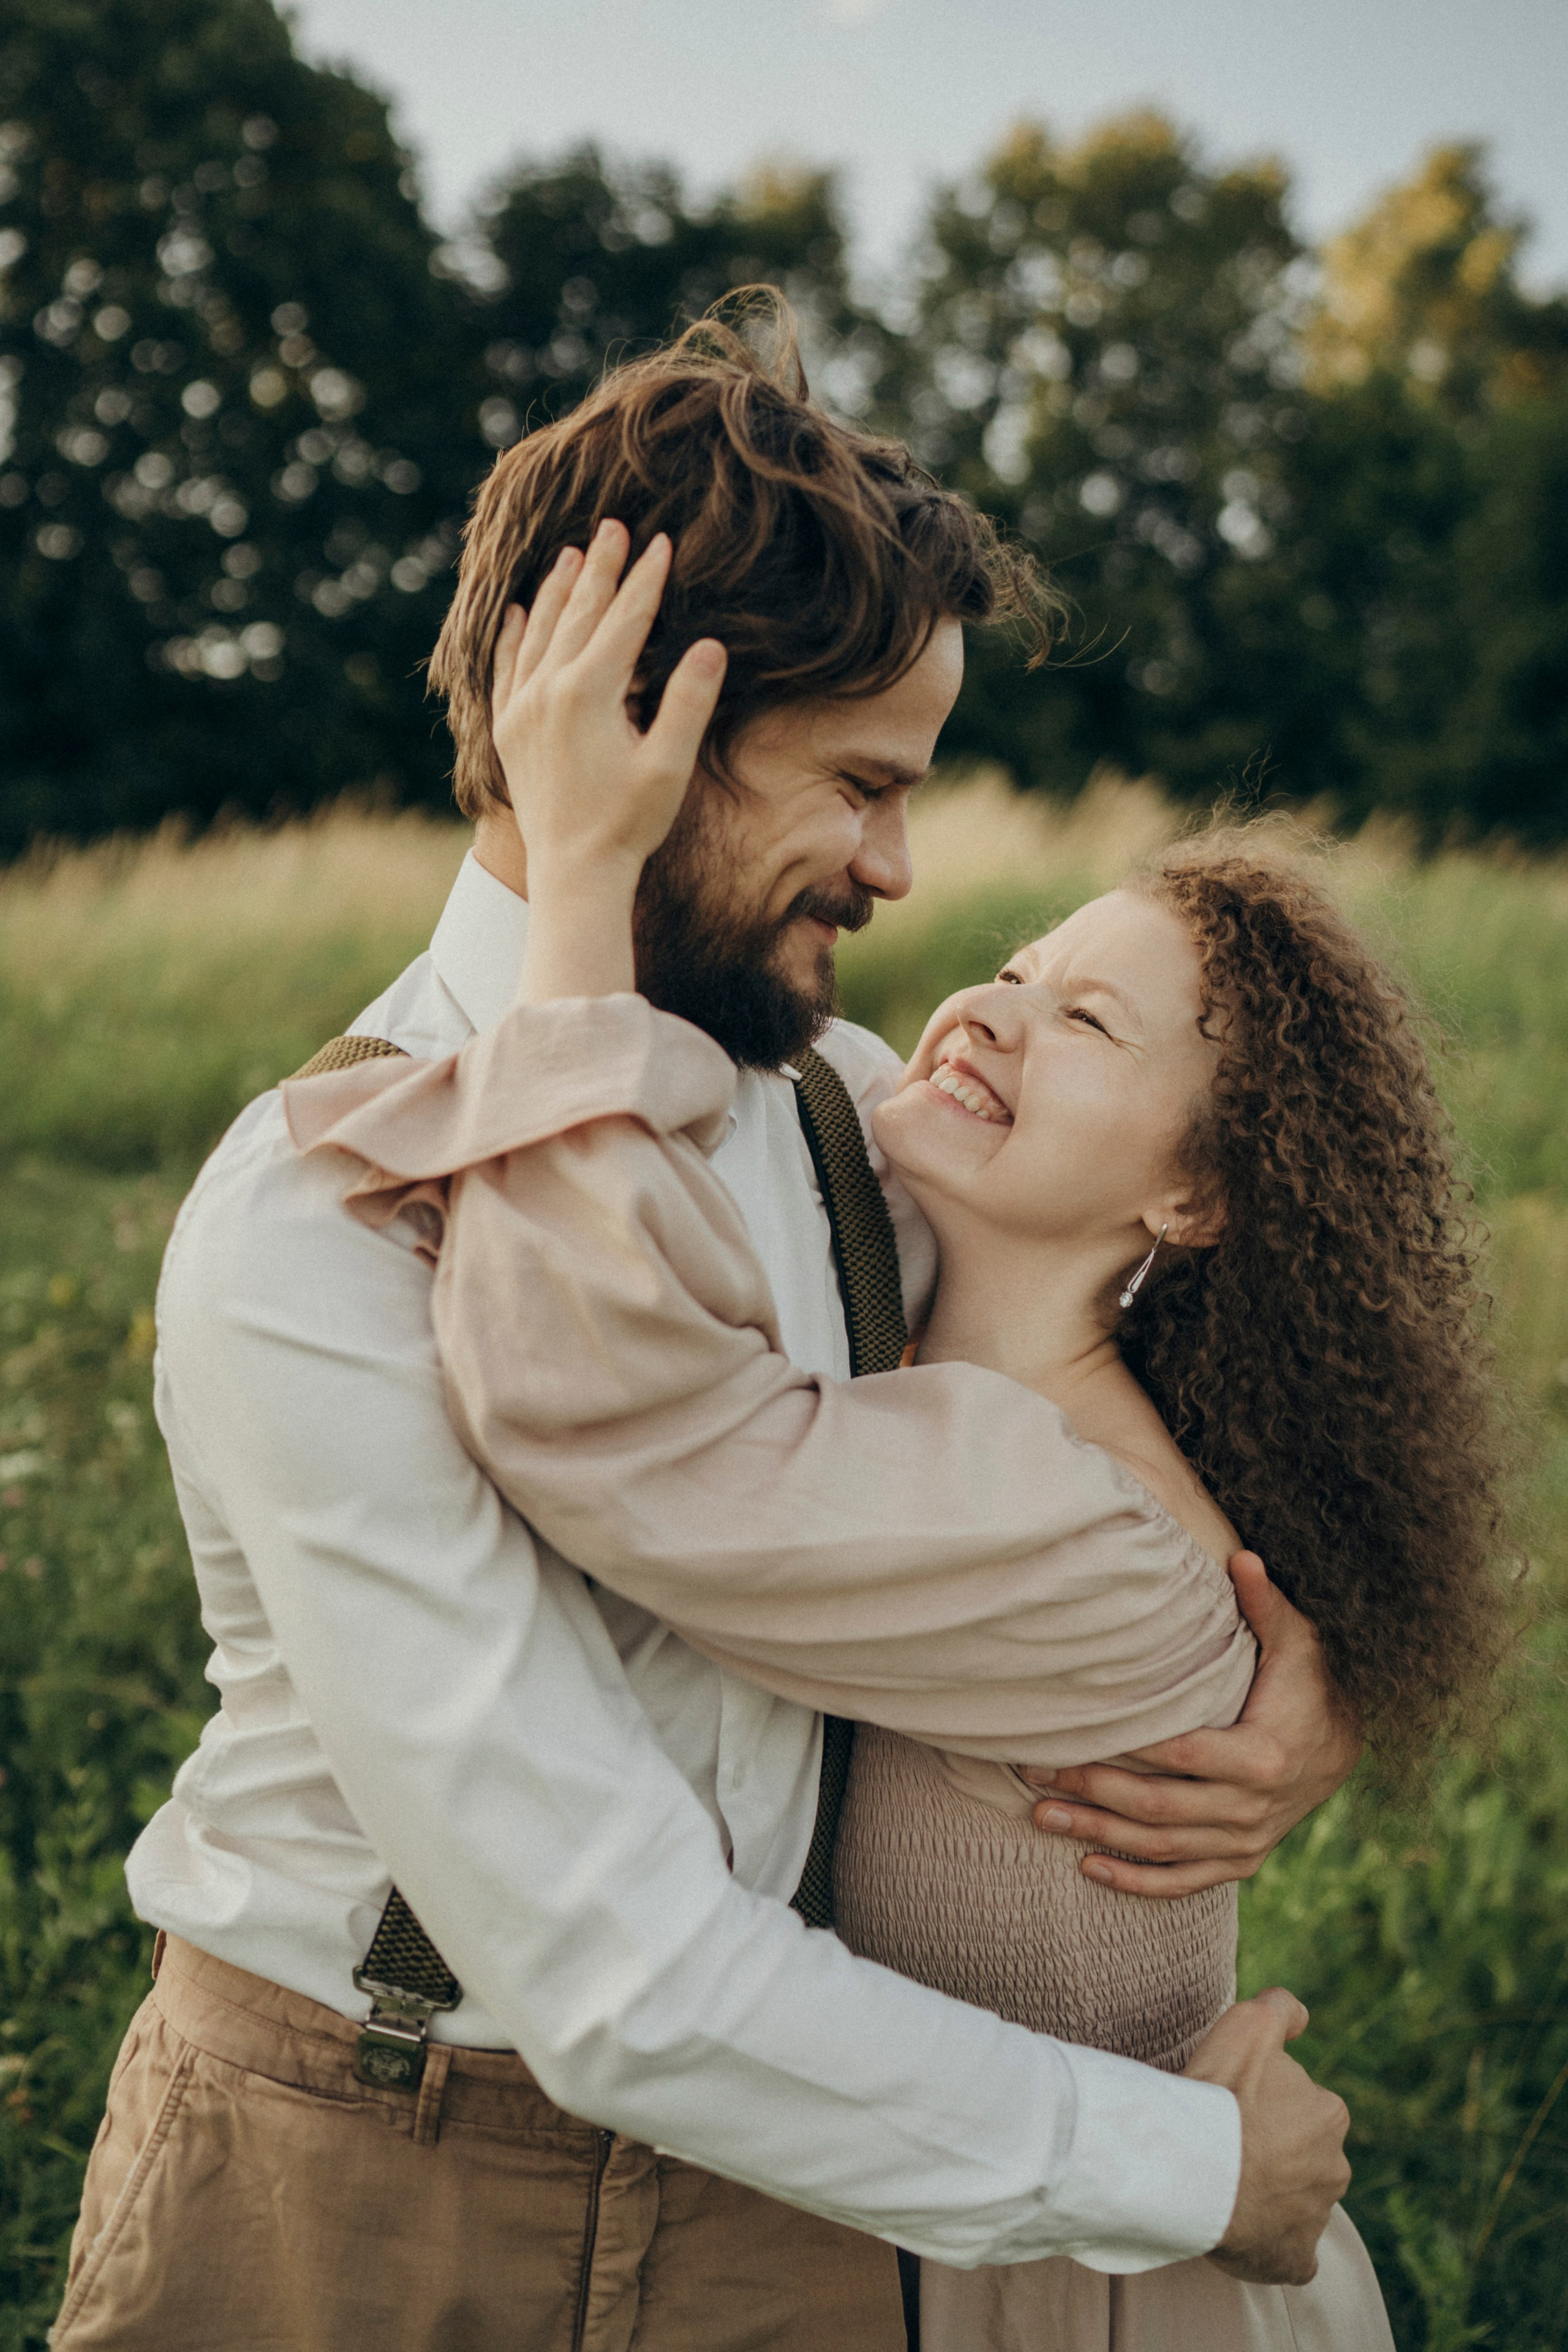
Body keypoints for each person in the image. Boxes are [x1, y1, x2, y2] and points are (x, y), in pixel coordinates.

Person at [54, 307, 1357, 2352]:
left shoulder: (858, 1111)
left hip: (817, 2186)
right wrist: (1195, 2172)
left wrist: (1272, 1699)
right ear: (638, 725)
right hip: (366, 2182)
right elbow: (615, 1972)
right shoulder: (311, 1224)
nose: (901, 868)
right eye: (859, 784)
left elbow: (1150, 1387)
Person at [287, 514, 1509, 2348]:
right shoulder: (862, 1143)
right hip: (917, 2213)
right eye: (1019, 965)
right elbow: (787, 1088)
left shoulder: (1062, 1515)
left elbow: (618, 1427)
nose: (991, 1006)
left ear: (1194, 1200)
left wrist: (580, 900)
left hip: (1071, 2269)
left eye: (1086, 1019)